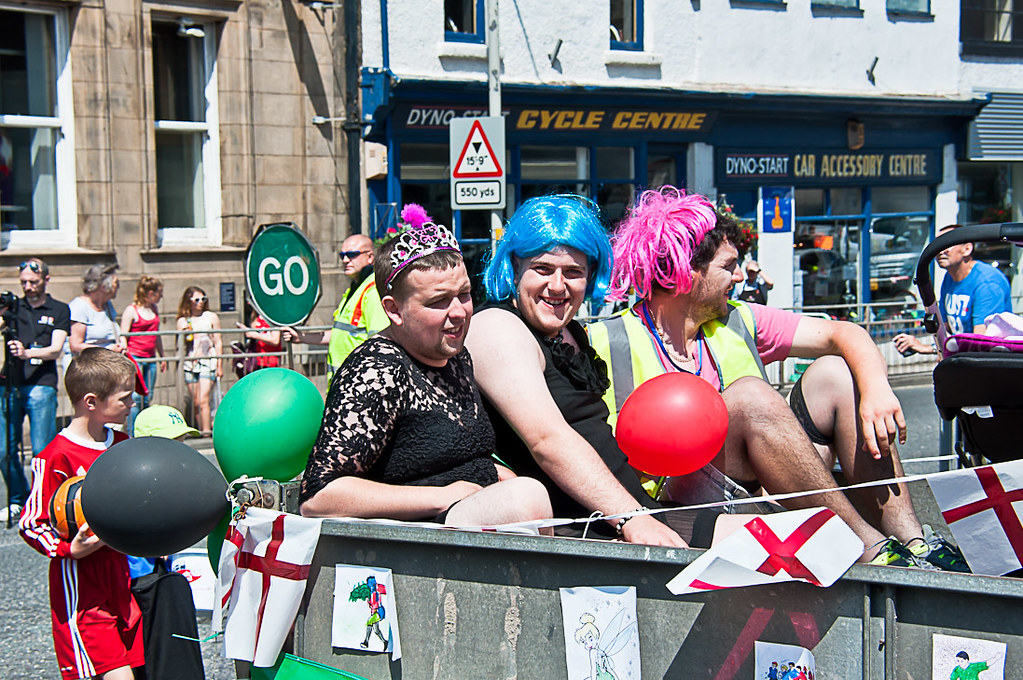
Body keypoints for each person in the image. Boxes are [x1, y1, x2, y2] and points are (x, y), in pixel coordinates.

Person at [587, 186, 966, 569]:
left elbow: (844, 334)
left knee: (837, 373)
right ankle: (868, 548)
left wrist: (876, 390)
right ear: (686, 271)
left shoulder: (739, 317)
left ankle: (916, 544)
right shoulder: (602, 340)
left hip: (763, 481)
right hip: (678, 505)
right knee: (750, 396)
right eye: (728, 266)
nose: (739, 276)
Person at [299, 219, 553, 530]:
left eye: (464, 294)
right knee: (526, 498)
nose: (458, 312)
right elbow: (318, 497)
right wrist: (440, 497)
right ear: (394, 310)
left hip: (467, 533)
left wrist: (496, 473)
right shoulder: (377, 368)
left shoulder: (456, 355)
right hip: (418, 542)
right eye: (438, 301)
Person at [465, 195, 689, 546]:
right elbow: (547, 440)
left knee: (767, 536)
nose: (557, 286)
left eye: (573, 272)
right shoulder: (497, 326)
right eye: (542, 269)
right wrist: (631, 519)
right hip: (588, 532)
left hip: (631, 512)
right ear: (515, 267)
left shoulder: (569, 331)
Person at [19, 348, 144, 680]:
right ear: (91, 402)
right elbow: (31, 523)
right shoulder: (54, 456)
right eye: (125, 398)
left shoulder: (121, 443)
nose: (132, 404)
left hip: (121, 577)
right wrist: (68, 549)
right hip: (81, 587)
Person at [0, 258, 71, 522]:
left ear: (46, 280)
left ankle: (44, 501)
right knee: (4, 450)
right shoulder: (13, 308)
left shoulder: (59, 309)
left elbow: (55, 349)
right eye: (24, 283)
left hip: (41, 383)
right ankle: (18, 499)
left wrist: (26, 353)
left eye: (33, 282)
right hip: (9, 383)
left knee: (42, 451)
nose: (28, 287)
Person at [893, 223, 1012, 355]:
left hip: (989, 362)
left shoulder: (987, 283)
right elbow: (944, 329)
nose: (939, 251)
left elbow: (981, 343)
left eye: (946, 244)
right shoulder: (950, 277)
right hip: (963, 357)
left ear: (967, 249)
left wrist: (927, 348)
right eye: (937, 245)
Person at [284, 232, 389, 378]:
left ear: (370, 257)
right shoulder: (355, 289)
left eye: (352, 254)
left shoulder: (372, 291)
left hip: (358, 382)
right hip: (344, 382)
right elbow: (340, 334)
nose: (345, 260)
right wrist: (301, 337)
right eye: (342, 255)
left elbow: (381, 342)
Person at [120, 276, 167, 435]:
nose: (161, 297)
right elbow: (123, 334)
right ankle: (132, 432)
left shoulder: (154, 309)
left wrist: (162, 355)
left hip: (150, 358)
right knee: (135, 397)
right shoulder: (132, 310)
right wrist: (126, 355)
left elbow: (156, 334)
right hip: (136, 358)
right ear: (150, 293)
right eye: (159, 293)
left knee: (147, 396)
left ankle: (143, 429)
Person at [176, 286, 222, 435]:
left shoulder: (210, 317)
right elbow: (180, 344)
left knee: (203, 399)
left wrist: (219, 365)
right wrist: (183, 332)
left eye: (203, 299)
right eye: (196, 299)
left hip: (208, 362)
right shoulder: (183, 320)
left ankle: (207, 432)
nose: (200, 302)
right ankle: (200, 430)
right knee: (195, 402)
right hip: (190, 363)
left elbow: (218, 341)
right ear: (188, 301)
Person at [69, 264, 123, 353]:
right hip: (89, 360)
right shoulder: (79, 307)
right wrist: (107, 350)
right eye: (116, 283)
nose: (118, 286)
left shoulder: (107, 305)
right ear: (103, 286)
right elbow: (75, 346)